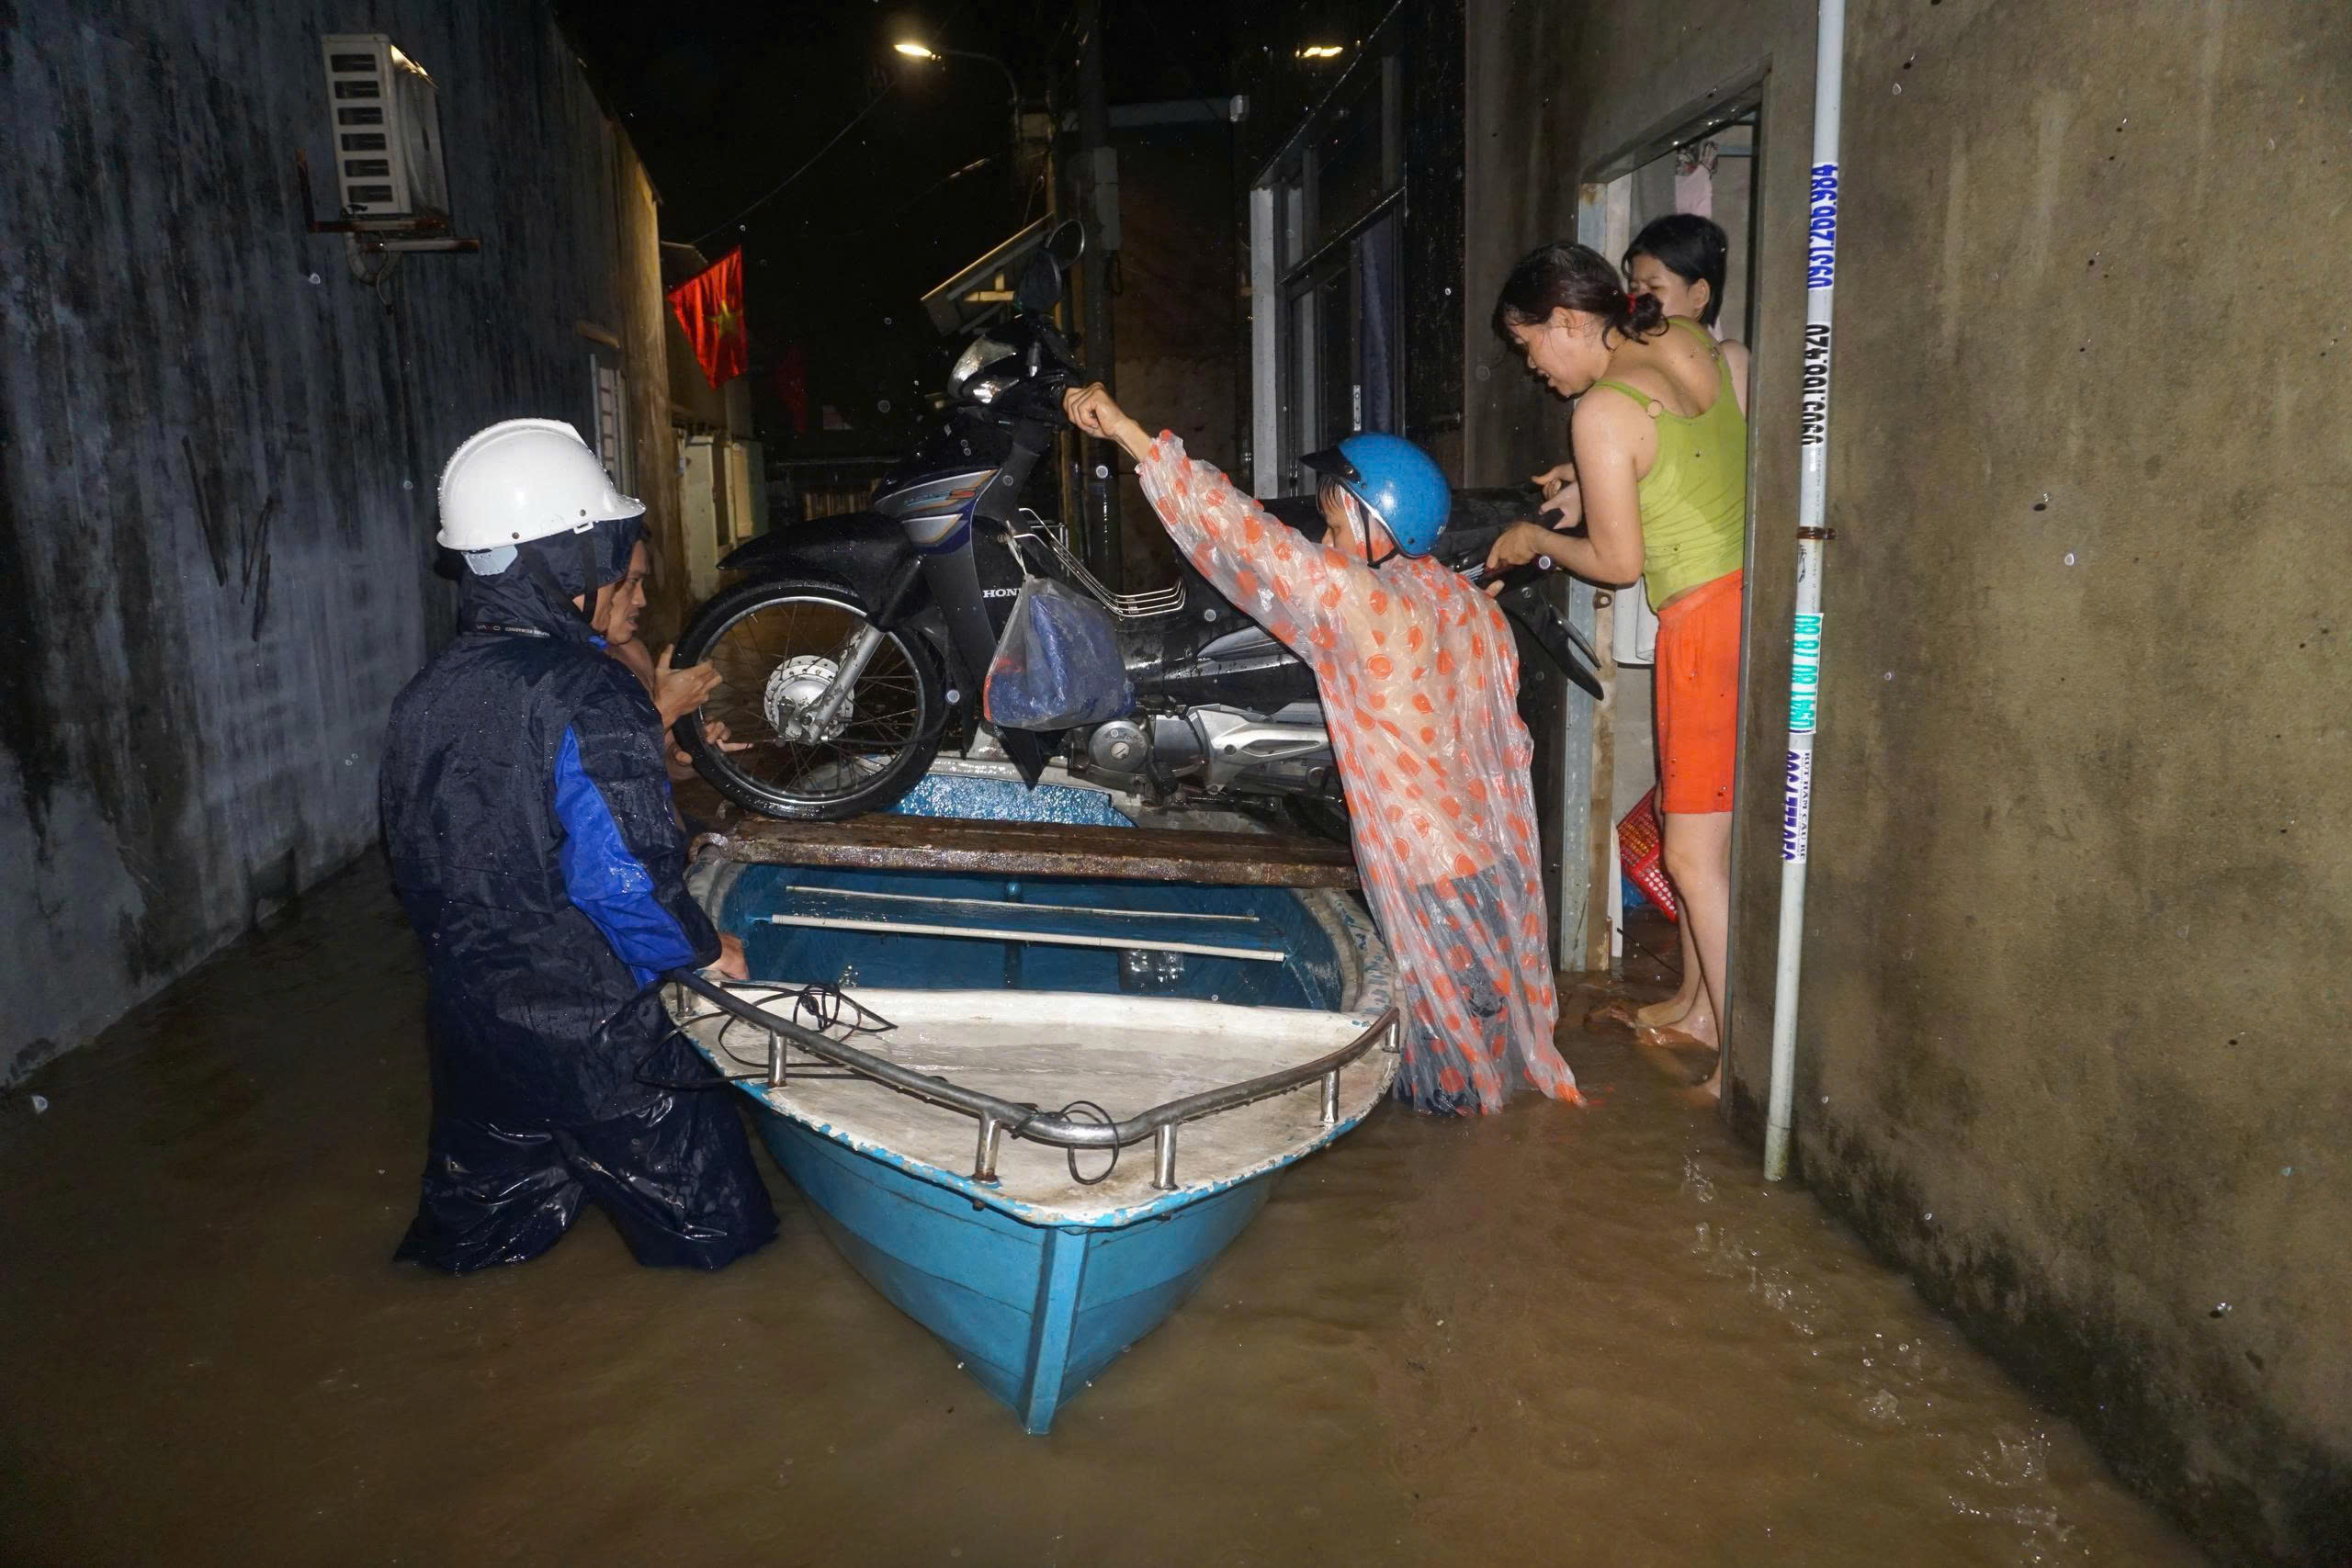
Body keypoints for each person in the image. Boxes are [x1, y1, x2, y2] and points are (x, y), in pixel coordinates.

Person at [1063, 383, 1578, 1115]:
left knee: (1450, 1095)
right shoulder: (1463, 606)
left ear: (1384, 525)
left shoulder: (1370, 607)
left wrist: (1129, 432)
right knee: (1485, 1066)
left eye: (1338, 526)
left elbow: (1245, 537)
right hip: (1487, 871)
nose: (1328, 544)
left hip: (1431, 883)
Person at [379, 417, 777, 1271]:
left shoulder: (424, 694)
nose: (629, 589)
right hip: (600, 1040)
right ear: (561, 564)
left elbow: (424, 862)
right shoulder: (590, 693)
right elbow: (620, 881)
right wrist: (703, 950)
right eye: (610, 561)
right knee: (720, 1244)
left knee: (471, 1247)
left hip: (472, 1029)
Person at [1486, 243, 1747, 1100]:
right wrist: (1585, 485)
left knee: (1691, 850)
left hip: (1703, 624)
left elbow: (1618, 560)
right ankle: (1704, 1011)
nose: (1533, 368)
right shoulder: (1684, 339)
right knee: (1700, 832)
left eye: (1531, 346)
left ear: (1569, 322)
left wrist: (1534, 540)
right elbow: (1688, 453)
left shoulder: (1600, 410)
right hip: (1752, 596)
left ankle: (1739, 1066)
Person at [591, 538, 742, 781]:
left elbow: (661, 765)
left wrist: (689, 751)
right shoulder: (562, 668)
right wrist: (667, 708)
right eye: (630, 582)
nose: (641, 599)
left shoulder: (633, 652)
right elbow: (590, 768)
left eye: (642, 582)